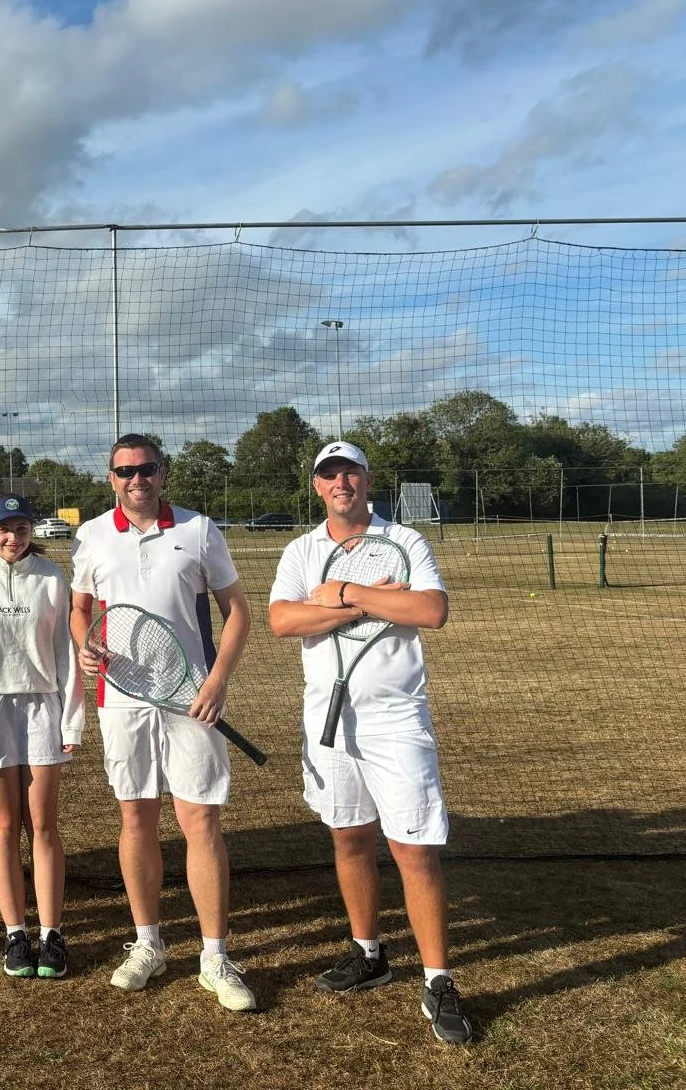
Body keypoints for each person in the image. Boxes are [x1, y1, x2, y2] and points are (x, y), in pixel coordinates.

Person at [268, 441, 473, 1044]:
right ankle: (369, 953)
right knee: (349, 837)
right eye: (328, 474)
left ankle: (437, 979)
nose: (340, 482)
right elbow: (283, 620)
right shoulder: (302, 549)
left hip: (395, 719)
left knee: (414, 849)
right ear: (316, 487)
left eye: (349, 472)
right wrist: (367, 601)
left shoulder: (405, 541)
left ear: (367, 479)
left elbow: (431, 610)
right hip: (326, 719)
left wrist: (346, 594)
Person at [69, 433, 257, 1010]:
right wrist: (84, 645)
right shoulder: (93, 534)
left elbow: (239, 611)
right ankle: (147, 943)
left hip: (191, 699)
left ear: (163, 474)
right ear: (111, 478)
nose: (137, 479)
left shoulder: (199, 530)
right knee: (136, 818)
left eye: (146, 469)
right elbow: (80, 610)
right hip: (122, 700)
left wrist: (217, 681)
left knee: (200, 822)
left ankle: (215, 956)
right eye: (125, 471)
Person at [0, 493, 85, 979]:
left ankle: (51, 934)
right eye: (4, 528)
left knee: (43, 824)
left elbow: (66, 653)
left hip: (43, 707)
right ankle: (15, 934)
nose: (13, 537)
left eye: (22, 528)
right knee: (3, 825)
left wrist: (72, 720)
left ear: (31, 532)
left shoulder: (51, 578)